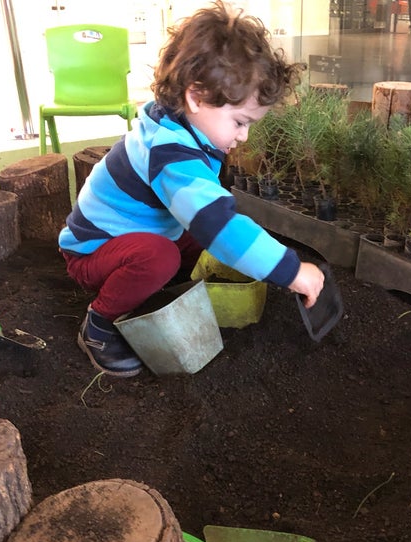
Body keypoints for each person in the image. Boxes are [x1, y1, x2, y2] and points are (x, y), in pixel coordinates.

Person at [58, 0, 325, 378]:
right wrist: (293, 271)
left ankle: (157, 289)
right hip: (93, 252)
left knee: (202, 234)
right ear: (196, 96)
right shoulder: (171, 153)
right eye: (239, 122)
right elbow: (218, 225)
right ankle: (100, 325)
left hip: (136, 233)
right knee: (167, 255)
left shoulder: (180, 122)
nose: (243, 136)